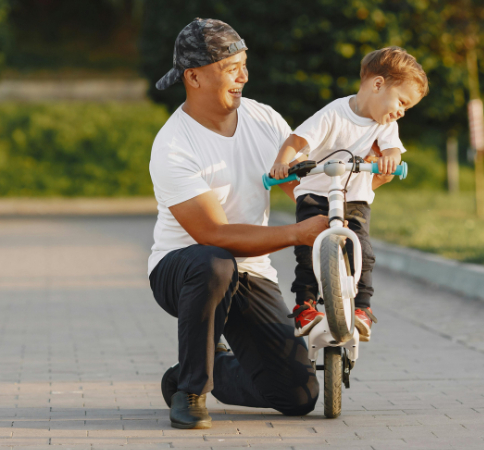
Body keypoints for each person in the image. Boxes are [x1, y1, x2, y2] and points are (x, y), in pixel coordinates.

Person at [147, 18, 330, 429]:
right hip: (183, 269)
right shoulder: (174, 145)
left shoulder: (264, 120)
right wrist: (296, 234)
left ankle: (209, 369)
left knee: (298, 396)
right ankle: (191, 391)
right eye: (231, 67)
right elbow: (213, 234)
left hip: (250, 271)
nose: (244, 76)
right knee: (215, 262)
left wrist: (358, 182)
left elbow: (301, 191)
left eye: (244, 64)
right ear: (193, 77)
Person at [269, 47, 429, 342]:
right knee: (307, 249)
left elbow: (392, 148)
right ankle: (305, 305)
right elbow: (297, 138)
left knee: (363, 251)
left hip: (354, 196)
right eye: (402, 101)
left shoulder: (386, 125)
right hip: (315, 194)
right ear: (378, 85)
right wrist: (282, 161)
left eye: (407, 108)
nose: (401, 111)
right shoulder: (334, 113)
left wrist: (390, 159)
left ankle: (362, 309)